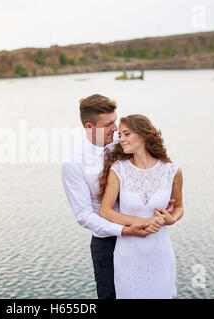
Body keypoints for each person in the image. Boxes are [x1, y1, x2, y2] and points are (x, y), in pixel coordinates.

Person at [61, 94, 175, 299]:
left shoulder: (123, 142)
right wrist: (124, 230)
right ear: (89, 126)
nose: (115, 129)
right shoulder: (73, 164)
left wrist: (164, 198)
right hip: (108, 244)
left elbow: (150, 167)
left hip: (146, 236)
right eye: (108, 125)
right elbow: (84, 215)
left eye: (115, 121)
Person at [98, 114, 184, 299]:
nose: (121, 139)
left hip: (159, 252)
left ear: (143, 135)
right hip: (128, 255)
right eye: (120, 135)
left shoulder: (172, 171)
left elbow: (179, 207)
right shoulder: (118, 169)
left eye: (127, 134)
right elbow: (105, 211)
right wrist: (144, 222)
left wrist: (172, 219)